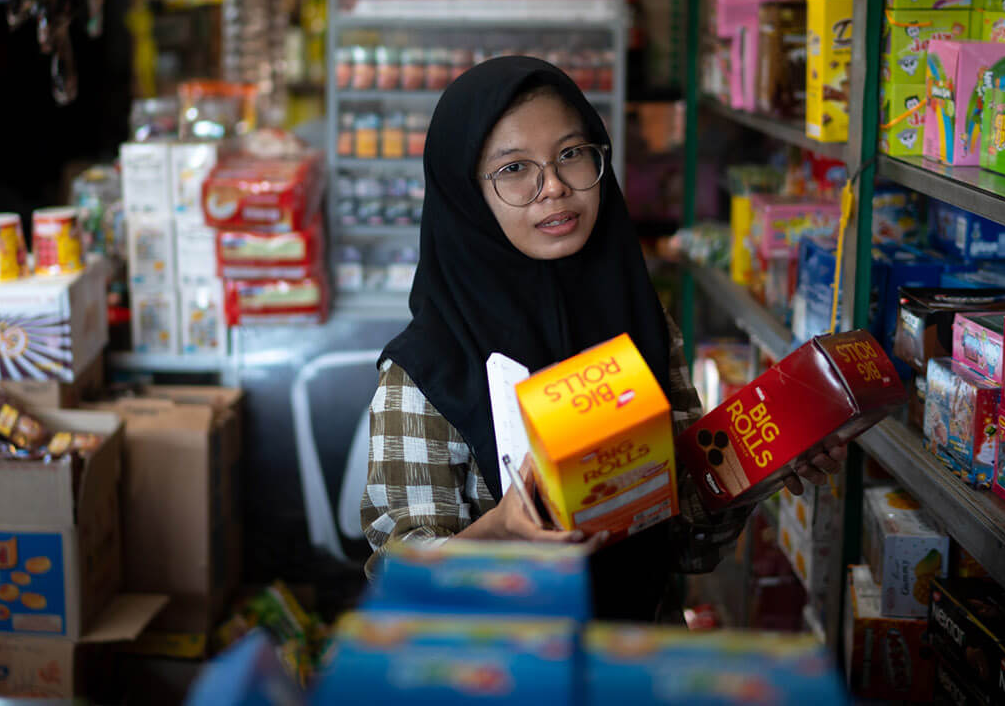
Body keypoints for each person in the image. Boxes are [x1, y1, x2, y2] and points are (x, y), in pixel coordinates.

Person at [360, 56, 843, 620]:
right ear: (465, 195)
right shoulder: (426, 370)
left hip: (636, 660)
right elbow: (398, 578)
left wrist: (763, 462)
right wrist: (502, 531)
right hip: (494, 673)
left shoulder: (640, 322)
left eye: (570, 153)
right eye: (515, 168)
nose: (555, 188)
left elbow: (686, 543)